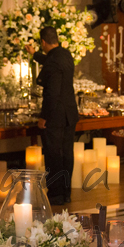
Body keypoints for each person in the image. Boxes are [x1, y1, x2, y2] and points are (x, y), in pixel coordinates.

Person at [25, 26, 78, 206]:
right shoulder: (65, 55)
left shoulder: (53, 62)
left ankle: (56, 195)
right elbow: (50, 60)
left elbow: (52, 94)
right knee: (67, 153)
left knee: (53, 153)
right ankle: (67, 193)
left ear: (43, 42)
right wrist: (35, 54)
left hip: (55, 114)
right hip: (70, 112)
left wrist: (43, 117)